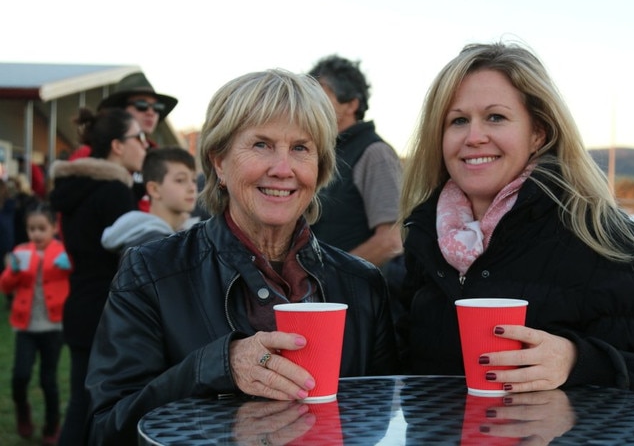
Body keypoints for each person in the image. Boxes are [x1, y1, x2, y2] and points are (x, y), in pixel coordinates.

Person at [85, 69, 398, 444]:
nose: (282, 169)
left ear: (320, 167)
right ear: (219, 162)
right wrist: (217, 367)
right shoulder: (151, 273)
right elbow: (106, 429)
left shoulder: (361, 284)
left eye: (301, 148)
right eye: (262, 145)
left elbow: (379, 422)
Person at [398, 42, 634, 394]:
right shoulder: (425, 238)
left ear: (538, 133)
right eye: (458, 121)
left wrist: (577, 360)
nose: (473, 137)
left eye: (495, 117)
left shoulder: (602, 235)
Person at [49, 107, 148, 445]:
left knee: (80, 404)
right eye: (139, 137)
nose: (146, 145)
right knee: (96, 413)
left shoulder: (76, 188)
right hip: (106, 313)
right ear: (118, 146)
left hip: (79, 305)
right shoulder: (114, 192)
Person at [307, 55, 405, 301]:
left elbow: (391, 241)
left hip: (355, 303)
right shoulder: (322, 151)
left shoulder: (375, 154)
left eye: (321, 95)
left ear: (351, 104)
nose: (310, 103)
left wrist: (325, 277)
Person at [0, 202, 70, 445]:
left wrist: (69, 265)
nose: (36, 234)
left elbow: (75, 279)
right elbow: (6, 287)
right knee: (20, 376)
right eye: (32, 229)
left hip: (53, 327)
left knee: (48, 380)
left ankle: (52, 426)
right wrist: (13, 271)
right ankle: (23, 412)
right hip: (26, 326)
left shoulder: (63, 252)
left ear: (54, 227)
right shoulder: (20, 252)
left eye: (42, 228)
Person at [101, 146, 198, 253]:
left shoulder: (167, 238)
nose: (192, 187)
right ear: (154, 189)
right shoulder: (153, 246)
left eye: (194, 180)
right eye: (180, 180)